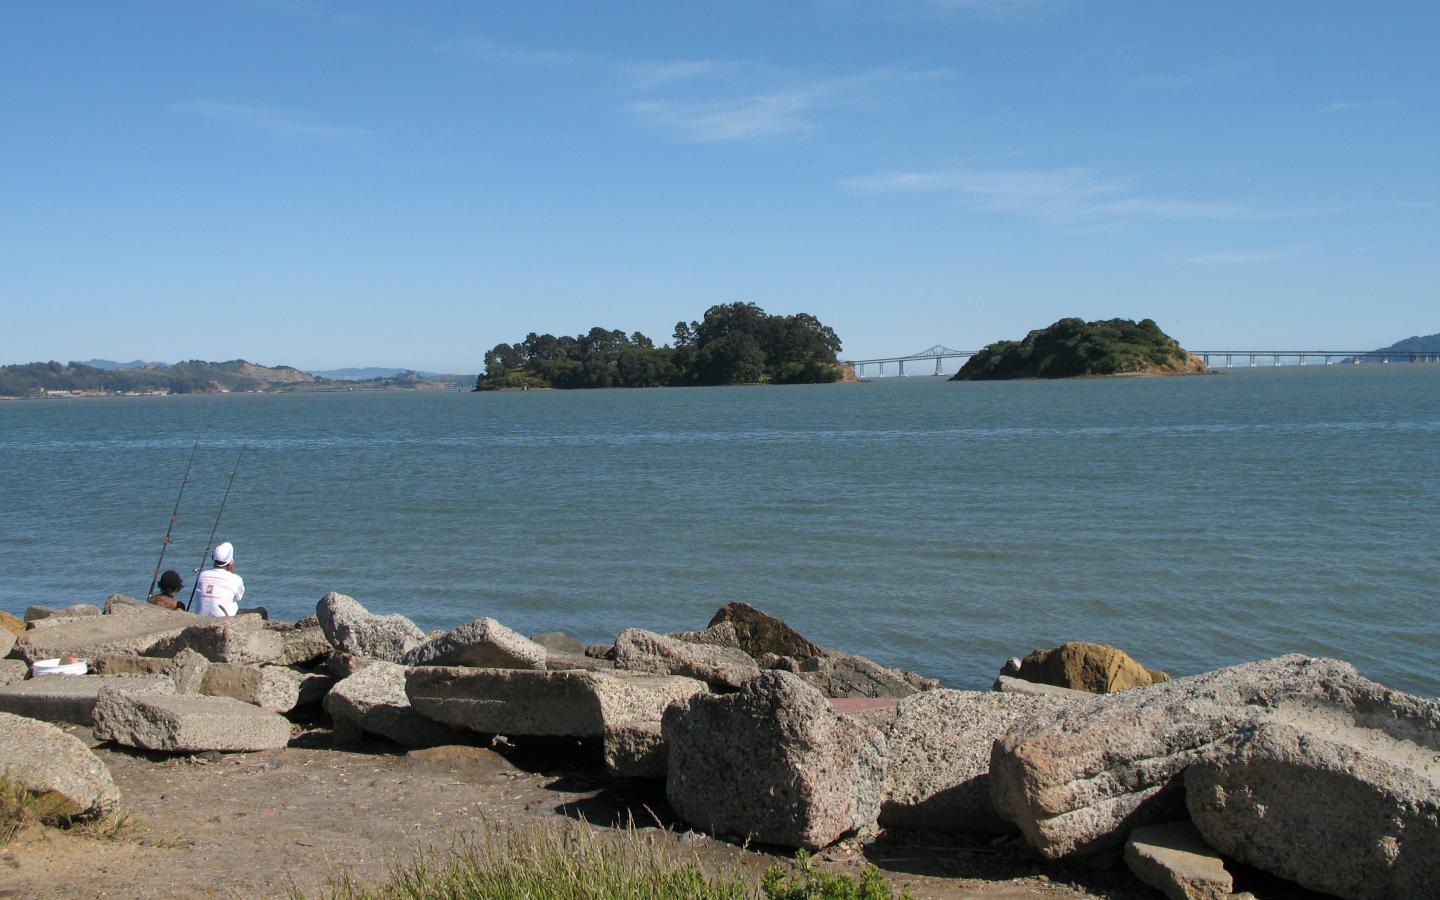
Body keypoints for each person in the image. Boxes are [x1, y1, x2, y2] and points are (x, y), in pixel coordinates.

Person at [191, 541, 267, 619]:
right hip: (226, 618)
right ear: (230, 563)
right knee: (262, 611)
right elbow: (238, 598)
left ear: (212, 558)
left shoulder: (201, 575)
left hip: (201, 616)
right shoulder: (236, 579)